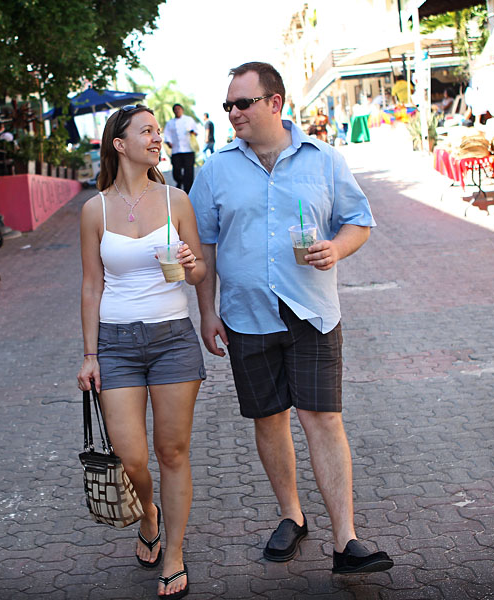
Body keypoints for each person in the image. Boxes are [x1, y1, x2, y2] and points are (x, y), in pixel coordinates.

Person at [189, 61, 394, 575]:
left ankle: (346, 540)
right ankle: (291, 515)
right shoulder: (215, 171)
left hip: (312, 312)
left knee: (322, 418)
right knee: (269, 419)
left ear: (275, 103)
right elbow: (204, 248)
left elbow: (359, 221)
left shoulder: (323, 159)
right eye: (228, 105)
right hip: (245, 315)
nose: (233, 112)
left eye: (243, 103)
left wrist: (335, 248)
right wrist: (207, 313)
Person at [77, 104, 207, 599]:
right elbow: (92, 286)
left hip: (172, 338)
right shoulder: (96, 210)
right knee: (131, 458)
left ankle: (173, 551)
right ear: (120, 144)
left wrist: (191, 264)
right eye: (146, 131)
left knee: (171, 452)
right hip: (116, 344)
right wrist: (89, 354)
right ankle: (148, 512)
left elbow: (197, 275)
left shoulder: (177, 200)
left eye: (158, 130)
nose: (157, 138)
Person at [163, 103, 201, 193]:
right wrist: (168, 142)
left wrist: (193, 132)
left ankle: (188, 190)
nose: (177, 111)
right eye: (175, 109)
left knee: (189, 171)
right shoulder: (170, 123)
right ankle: (180, 182)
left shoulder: (189, 120)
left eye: (179, 109)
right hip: (176, 150)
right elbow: (167, 135)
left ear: (182, 110)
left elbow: (196, 131)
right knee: (176, 170)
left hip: (188, 149)